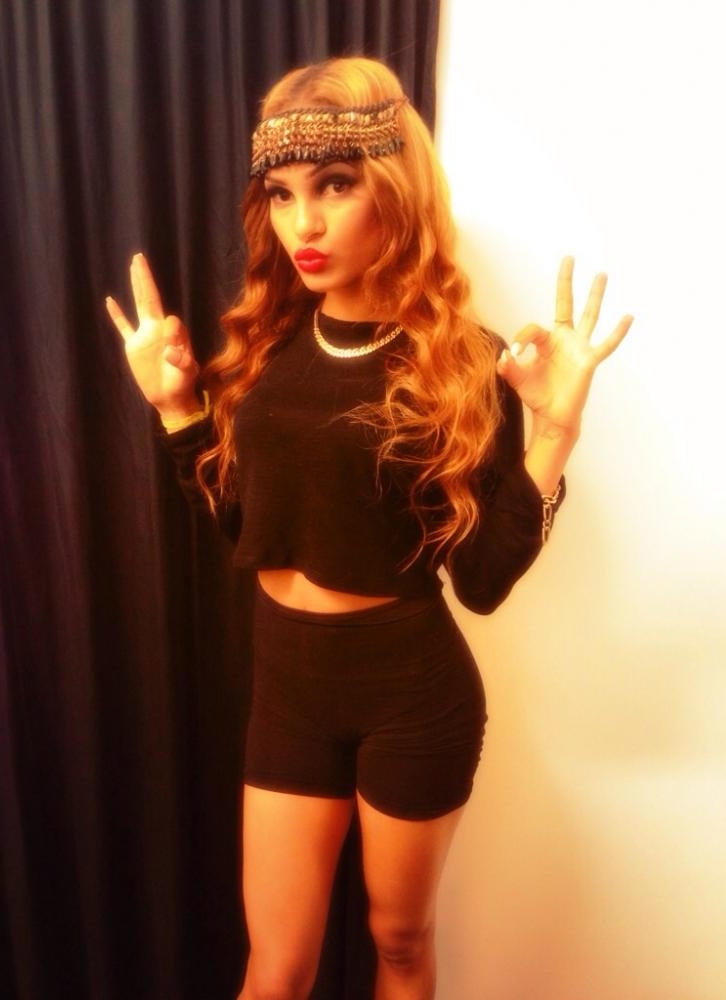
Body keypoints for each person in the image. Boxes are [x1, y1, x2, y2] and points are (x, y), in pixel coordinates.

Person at [106, 56, 631, 1000]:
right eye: (282, 194)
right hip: (288, 688)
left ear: (394, 189)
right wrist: (179, 410)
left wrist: (553, 433)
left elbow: (481, 582)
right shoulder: (264, 350)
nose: (302, 225)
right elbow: (246, 531)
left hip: (411, 694)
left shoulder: (464, 365)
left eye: (335, 186)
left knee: (400, 943)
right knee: (274, 972)